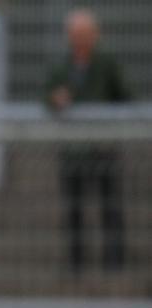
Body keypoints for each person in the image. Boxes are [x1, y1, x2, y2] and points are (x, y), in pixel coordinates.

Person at [45, 9, 130, 274]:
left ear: (95, 35)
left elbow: (126, 96)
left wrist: (109, 122)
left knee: (110, 206)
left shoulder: (107, 65)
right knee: (73, 208)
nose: (80, 39)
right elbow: (46, 95)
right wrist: (55, 99)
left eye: (85, 34)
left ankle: (114, 262)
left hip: (102, 147)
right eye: (75, 34)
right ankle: (76, 263)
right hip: (74, 150)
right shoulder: (62, 66)